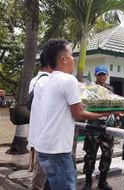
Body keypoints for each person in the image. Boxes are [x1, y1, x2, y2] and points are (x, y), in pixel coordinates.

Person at [34, 39, 110, 190]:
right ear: (63, 59)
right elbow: (79, 113)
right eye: (70, 55)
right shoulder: (68, 80)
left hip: (43, 148)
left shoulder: (45, 80)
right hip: (58, 150)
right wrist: (102, 115)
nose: (73, 59)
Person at [82, 65, 115, 190]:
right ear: (95, 75)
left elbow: (113, 104)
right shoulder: (90, 88)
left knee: (107, 154)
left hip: (107, 126)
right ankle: (88, 181)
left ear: (107, 75)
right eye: (99, 74)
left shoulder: (110, 89)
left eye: (104, 74)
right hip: (93, 126)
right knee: (90, 154)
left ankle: (103, 181)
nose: (101, 77)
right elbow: (85, 104)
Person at [28, 50, 53, 190]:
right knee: (42, 178)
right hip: (44, 138)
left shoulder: (35, 80)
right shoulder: (45, 81)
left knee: (42, 176)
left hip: (38, 135)